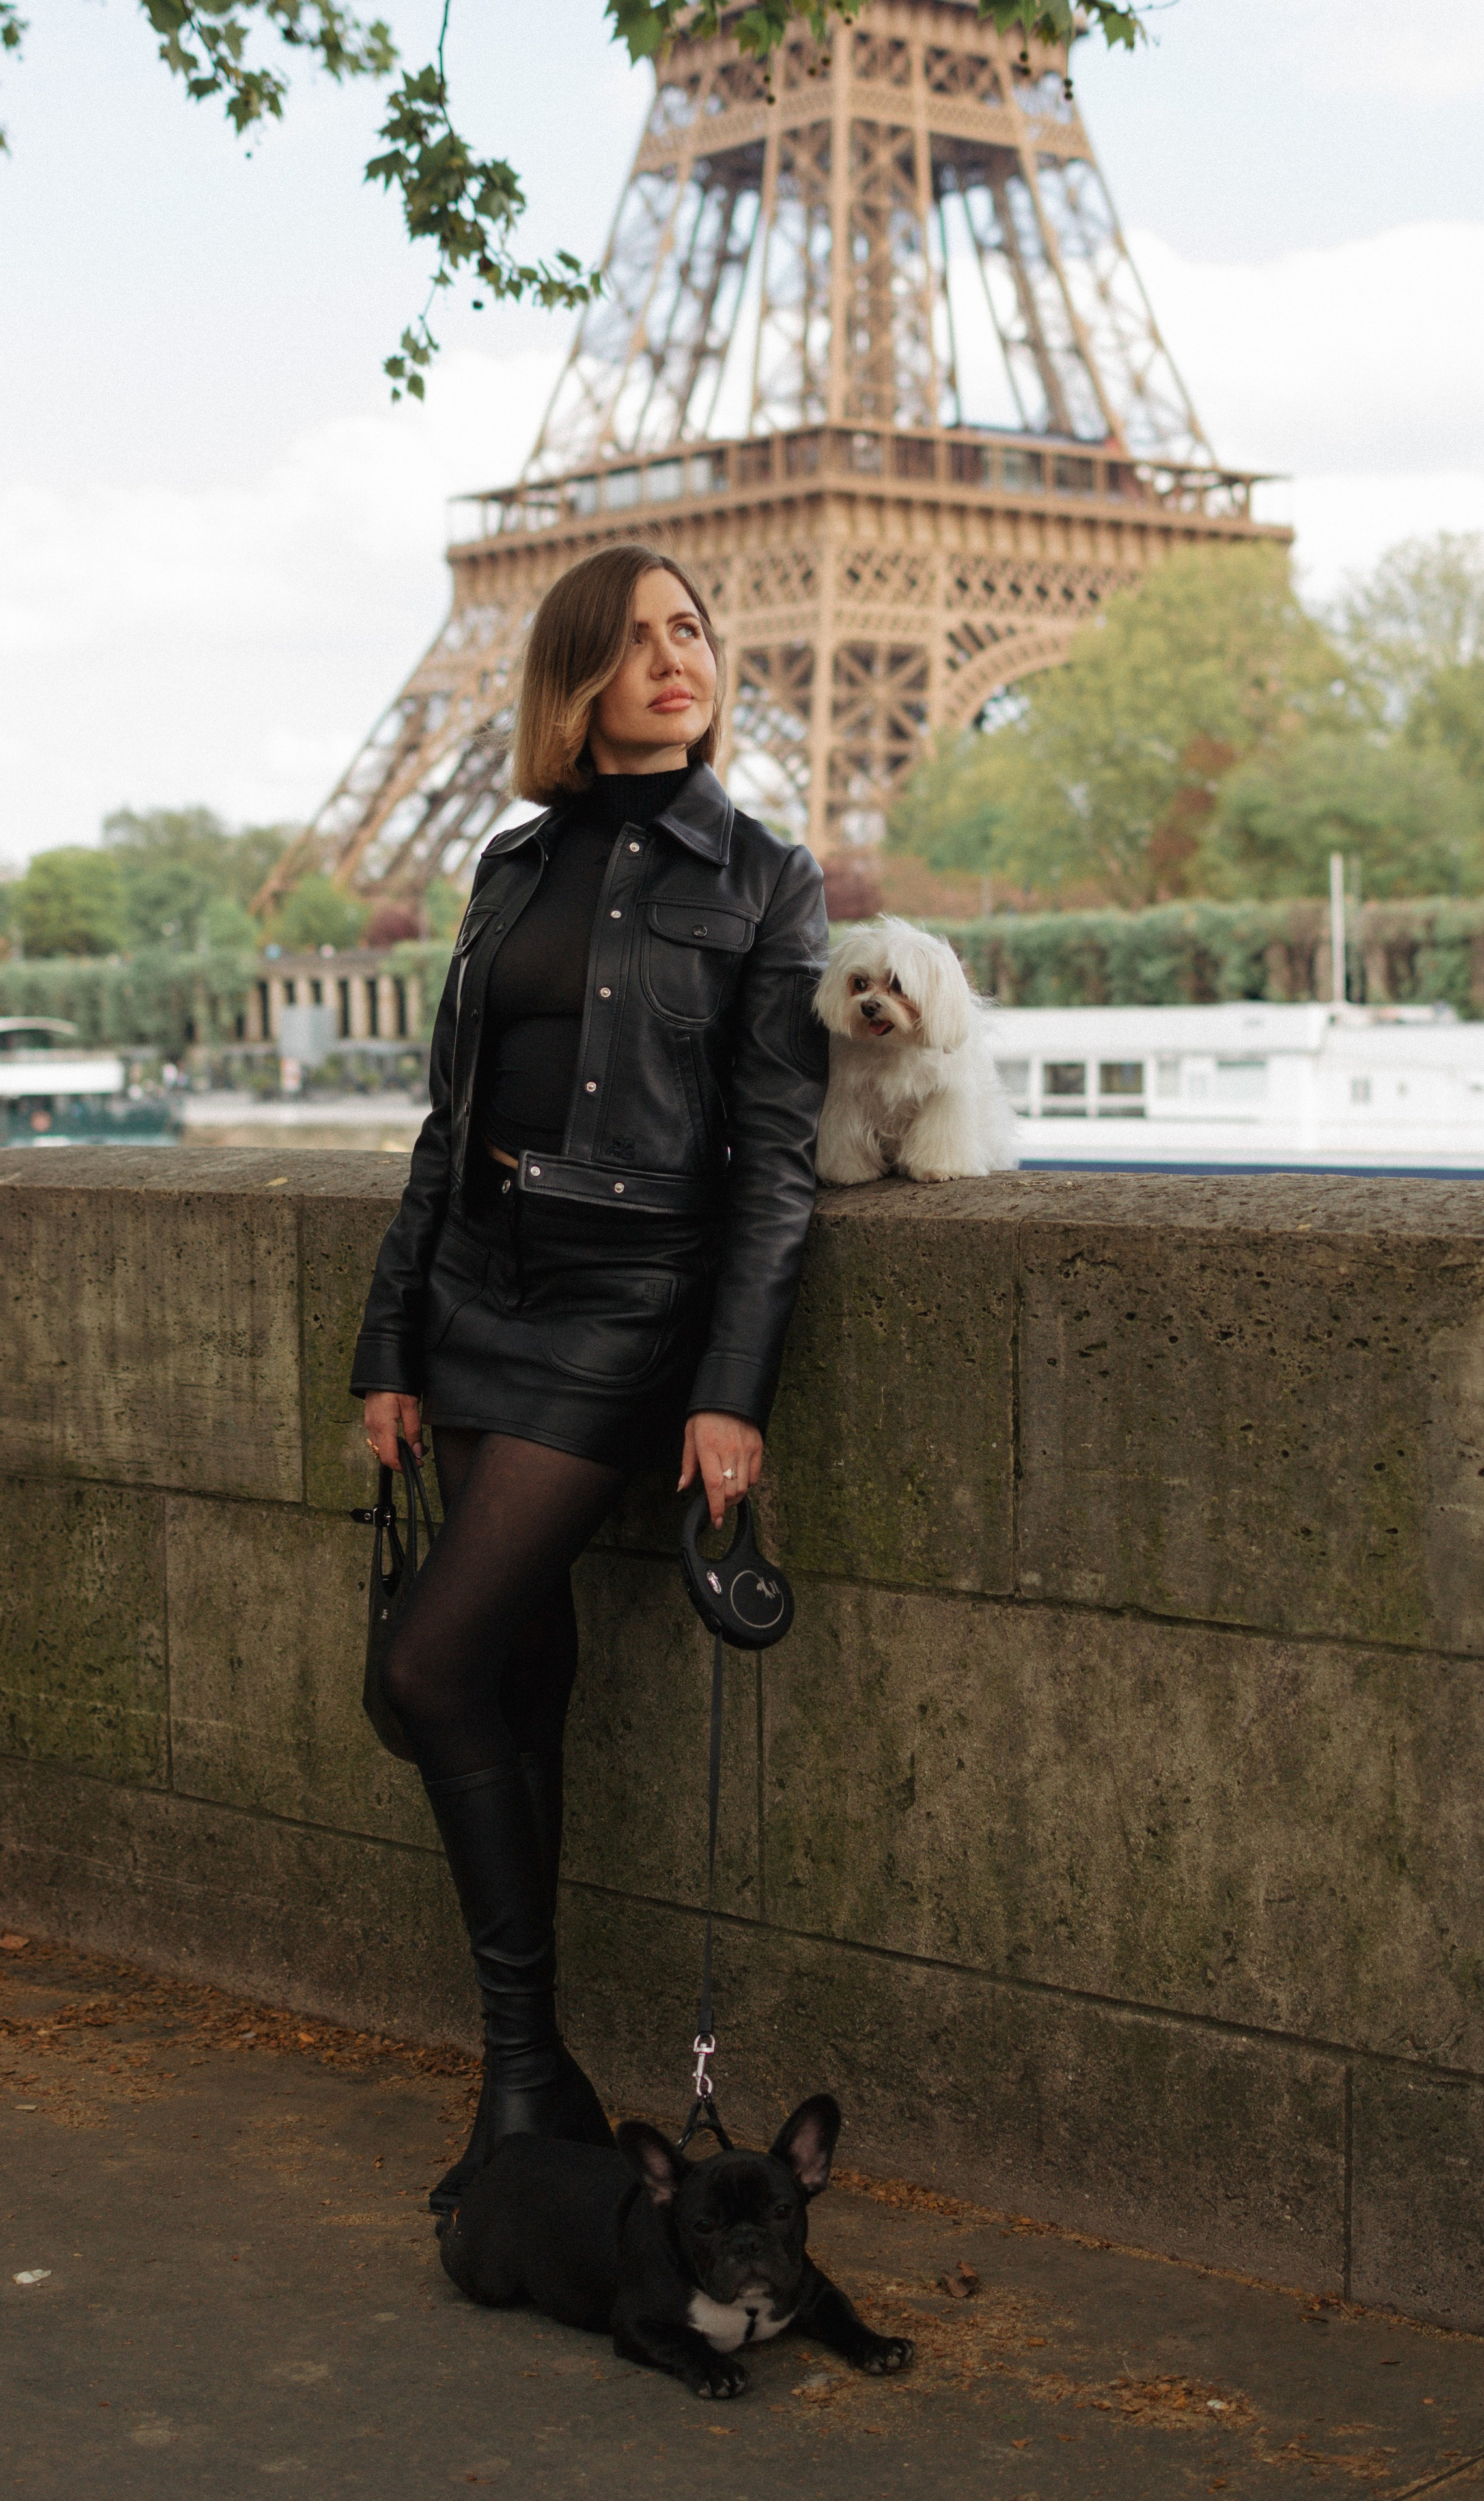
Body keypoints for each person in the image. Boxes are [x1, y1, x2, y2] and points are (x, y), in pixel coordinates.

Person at [350, 543, 828, 2213]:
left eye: (690, 629)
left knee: (424, 1671)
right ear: (572, 678)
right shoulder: (508, 865)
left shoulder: (764, 875)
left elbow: (777, 1163)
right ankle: (524, 2084)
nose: (671, 657)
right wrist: (388, 1340)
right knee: (507, 1687)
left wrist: (730, 1386)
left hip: (625, 1313)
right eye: (631, 640)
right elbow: (442, 1129)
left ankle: (527, 2073)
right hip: (481, 1292)